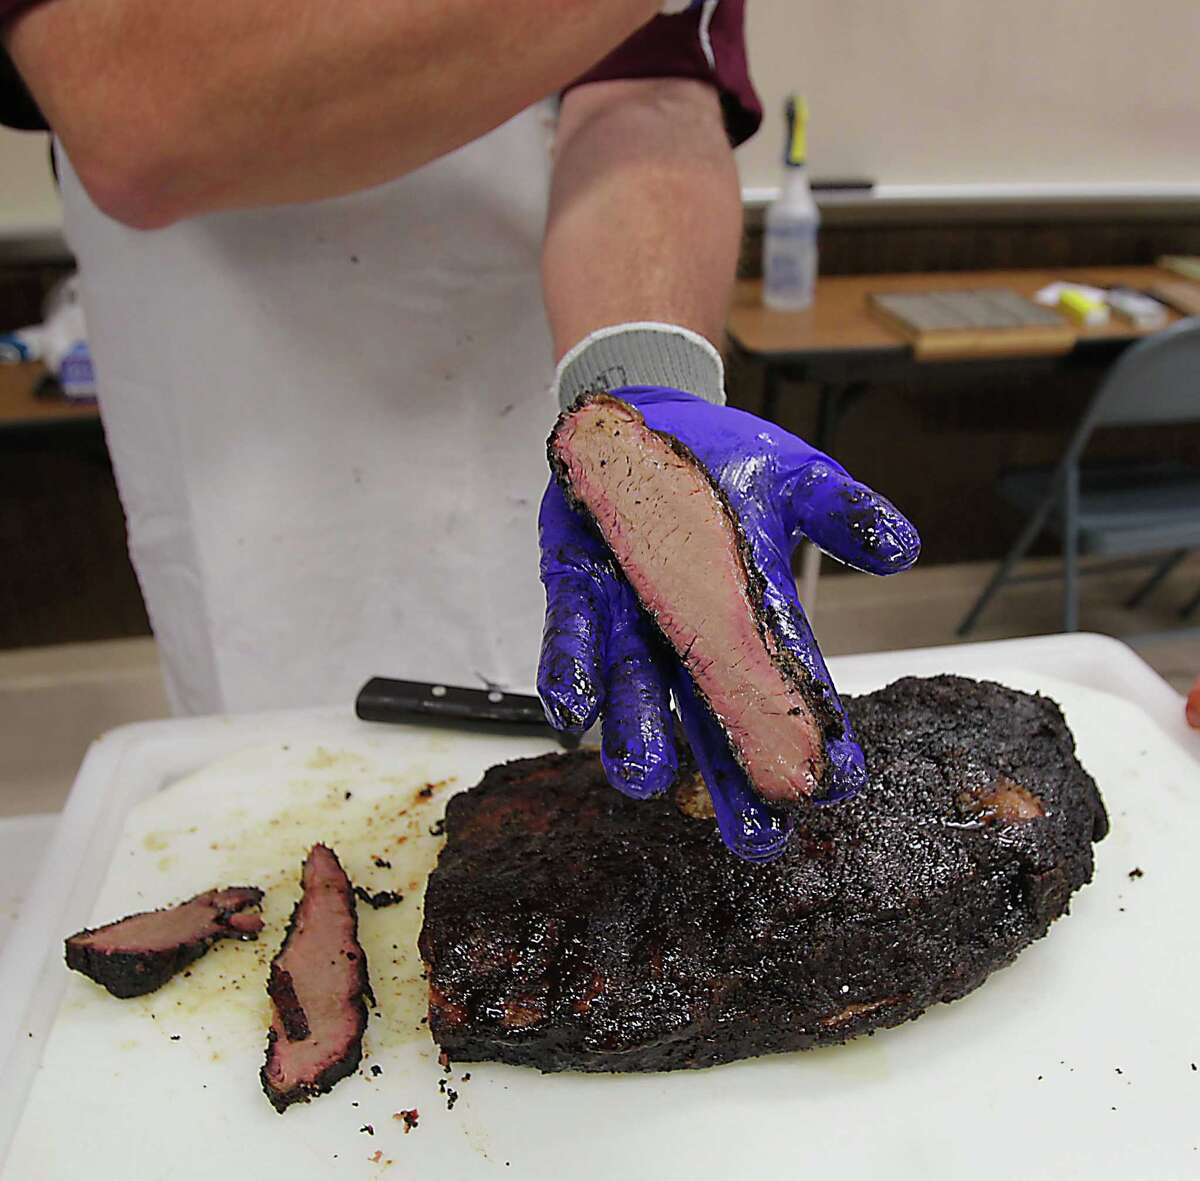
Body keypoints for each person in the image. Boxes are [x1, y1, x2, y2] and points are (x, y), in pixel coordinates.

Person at [2, 1, 918, 856]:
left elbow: (649, 93)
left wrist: (641, 382)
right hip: (243, 408)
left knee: (592, 795)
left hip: (545, 378)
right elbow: (134, 108)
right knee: (263, 813)